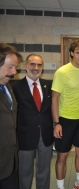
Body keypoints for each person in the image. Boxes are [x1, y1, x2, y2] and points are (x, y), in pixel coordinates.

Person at [52, 40, 79, 189]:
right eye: (78, 53)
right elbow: (54, 99)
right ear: (71, 53)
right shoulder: (62, 72)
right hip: (65, 119)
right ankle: (60, 186)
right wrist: (56, 123)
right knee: (62, 156)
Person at [12, 54, 53, 189]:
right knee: (25, 173)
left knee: (44, 171)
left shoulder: (48, 85)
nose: (36, 68)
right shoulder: (15, 87)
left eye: (39, 65)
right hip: (24, 136)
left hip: (45, 136)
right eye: (32, 64)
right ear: (25, 66)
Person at [0, 43, 22, 189]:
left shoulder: (7, 87)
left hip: (11, 161)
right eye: (10, 67)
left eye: (15, 67)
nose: (14, 72)